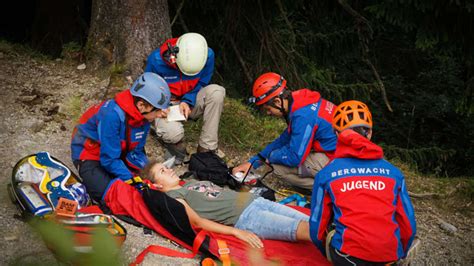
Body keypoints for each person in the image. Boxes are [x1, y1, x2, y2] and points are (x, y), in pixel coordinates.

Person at [309, 100, 417, 265]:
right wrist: (399, 253)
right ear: (370, 133)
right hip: (389, 256)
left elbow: (316, 229)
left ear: (337, 134)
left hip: (347, 257)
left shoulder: (327, 173)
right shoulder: (394, 173)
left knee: (331, 231)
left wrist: (323, 250)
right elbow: (408, 225)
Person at [142, 161, 312, 248]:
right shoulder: (173, 197)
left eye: (166, 167)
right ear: (156, 185)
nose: (170, 169)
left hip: (255, 201)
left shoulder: (187, 182)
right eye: (162, 171)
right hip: (247, 217)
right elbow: (197, 222)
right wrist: (236, 232)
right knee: (308, 230)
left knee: (314, 222)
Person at [71, 72, 171, 201]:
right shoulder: (112, 115)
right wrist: (134, 181)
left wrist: (151, 173)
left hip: (118, 149)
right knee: (110, 195)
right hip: (89, 153)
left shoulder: (143, 116)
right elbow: (109, 159)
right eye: (157, 110)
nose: (160, 114)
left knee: (148, 180)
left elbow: (136, 152)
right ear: (141, 105)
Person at [232, 72, 337, 192]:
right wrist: (255, 161)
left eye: (268, 109)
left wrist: (271, 157)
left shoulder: (303, 116)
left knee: (277, 169)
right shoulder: (300, 101)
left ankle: (332, 188)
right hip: (340, 154)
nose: (268, 113)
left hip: (337, 159)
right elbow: (285, 138)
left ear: (277, 102)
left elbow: (295, 157)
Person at [145, 32, 225, 164]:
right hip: (166, 105)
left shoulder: (207, 56)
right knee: (173, 134)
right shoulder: (157, 61)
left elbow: (202, 82)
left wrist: (188, 101)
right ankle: (166, 135)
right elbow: (148, 89)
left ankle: (207, 149)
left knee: (217, 92)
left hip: (191, 101)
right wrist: (160, 107)